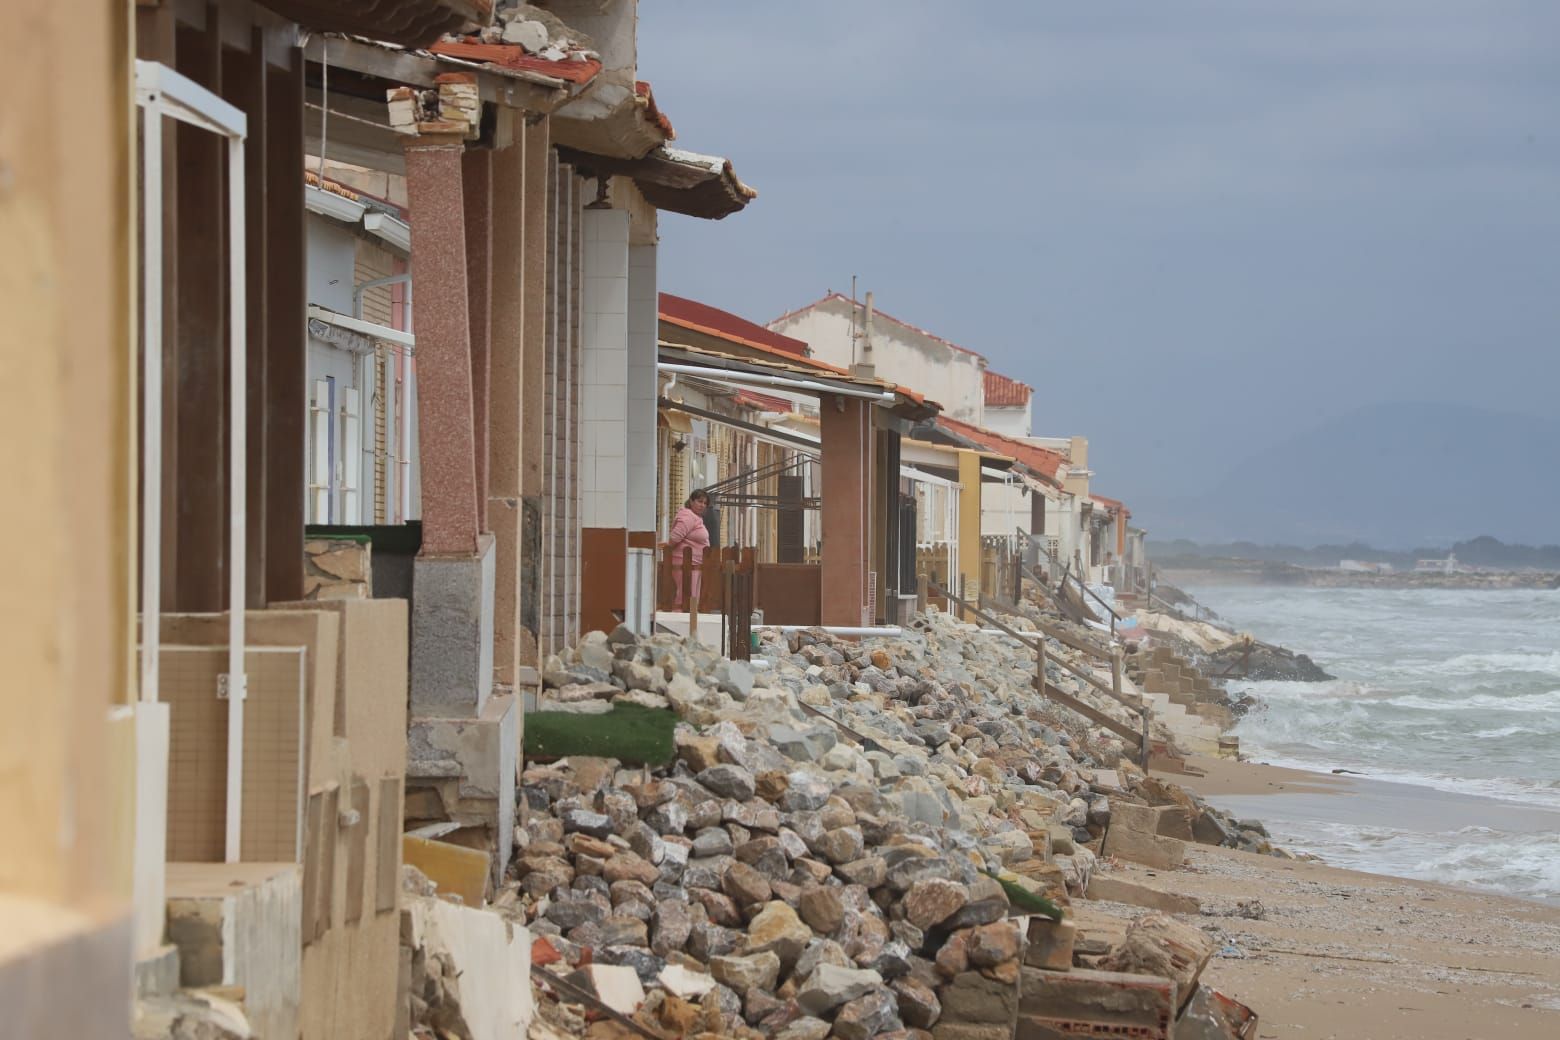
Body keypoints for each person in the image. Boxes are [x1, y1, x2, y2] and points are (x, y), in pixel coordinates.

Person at [665, 489, 710, 610]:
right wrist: (668, 547)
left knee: (691, 596)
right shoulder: (688, 516)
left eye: (705, 503)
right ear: (691, 501)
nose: (702, 505)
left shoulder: (694, 517)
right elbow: (675, 536)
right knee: (686, 595)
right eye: (699, 501)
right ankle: (680, 618)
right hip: (685, 564)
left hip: (693, 564)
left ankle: (688, 620)